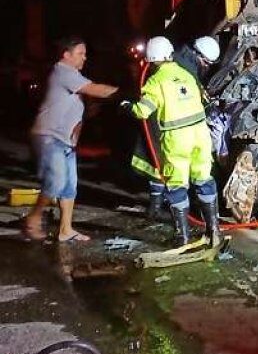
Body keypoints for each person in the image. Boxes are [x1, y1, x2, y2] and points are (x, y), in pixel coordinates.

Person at [124, 36, 220, 247]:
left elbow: (143, 111)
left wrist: (127, 106)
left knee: (176, 186)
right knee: (204, 179)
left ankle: (183, 236)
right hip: (200, 136)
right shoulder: (188, 74)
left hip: (177, 139)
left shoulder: (155, 81)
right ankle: (214, 231)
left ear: (151, 59)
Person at [22, 36, 119, 242]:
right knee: (56, 182)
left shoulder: (72, 76)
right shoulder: (63, 72)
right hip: (49, 136)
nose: (85, 58)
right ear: (66, 55)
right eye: (80, 54)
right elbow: (95, 89)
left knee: (69, 186)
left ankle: (65, 230)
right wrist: (124, 94)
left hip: (65, 141)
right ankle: (34, 218)